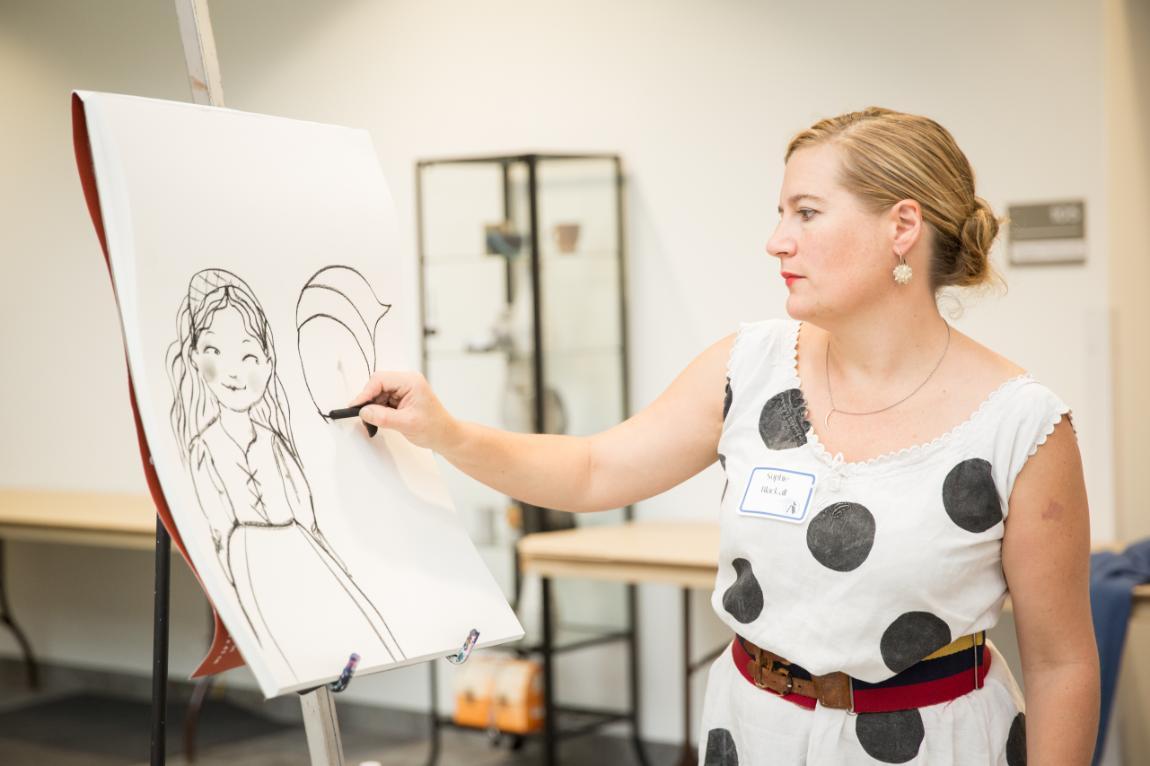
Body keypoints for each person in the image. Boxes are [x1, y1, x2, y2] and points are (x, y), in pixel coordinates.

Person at [351, 108, 1098, 764]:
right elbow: (590, 470)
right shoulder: (753, 366)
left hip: (937, 746)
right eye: (781, 213)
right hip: (755, 733)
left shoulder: (1021, 424)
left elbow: (1062, 663)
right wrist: (445, 433)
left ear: (901, 227)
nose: (777, 241)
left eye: (806, 213)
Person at [168, 268, 404, 682]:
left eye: (247, 356)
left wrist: (341, 568)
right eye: (214, 352)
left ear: (268, 359)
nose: (234, 372)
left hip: (301, 555)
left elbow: (305, 515)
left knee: (346, 641)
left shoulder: (275, 441)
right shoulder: (203, 448)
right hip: (255, 570)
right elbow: (218, 532)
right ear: (193, 357)